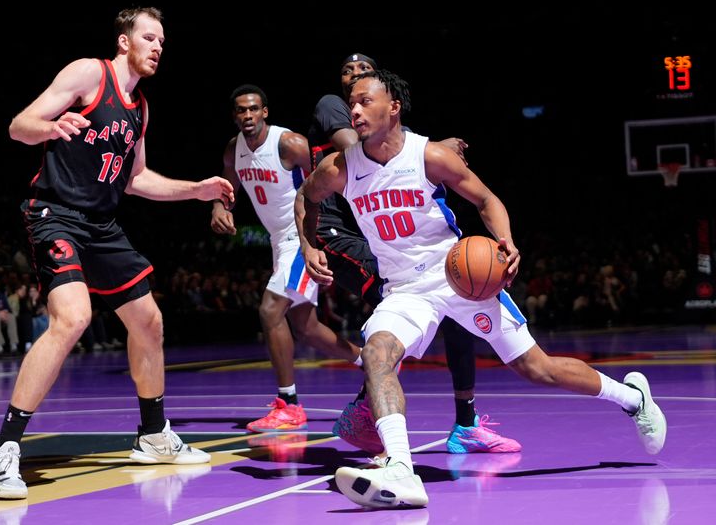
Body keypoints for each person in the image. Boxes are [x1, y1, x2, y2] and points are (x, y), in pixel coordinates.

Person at [299, 69, 666, 509]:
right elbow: (307, 198)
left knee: (537, 368)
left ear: (392, 107)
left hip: (457, 278)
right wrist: (308, 245)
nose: (354, 110)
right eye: (351, 103)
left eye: (364, 101)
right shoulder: (339, 167)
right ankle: (401, 468)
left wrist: (506, 241)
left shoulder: (429, 156)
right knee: (377, 354)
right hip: (404, 289)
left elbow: (487, 201)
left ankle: (632, 397)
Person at [0, 7, 234, 500]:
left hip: (102, 224)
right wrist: (50, 128)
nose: (158, 46)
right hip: (55, 213)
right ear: (124, 42)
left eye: (163, 40)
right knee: (72, 318)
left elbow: (137, 178)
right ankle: (3, 451)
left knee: (149, 321)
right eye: (149, 37)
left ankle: (154, 434)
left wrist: (196, 190)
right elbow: (19, 125)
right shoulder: (88, 73)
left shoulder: (140, 107)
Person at [305, 53, 519, 455]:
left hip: (390, 234)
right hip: (342, 232)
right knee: (389, 319)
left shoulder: (388, 123)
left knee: (457, 302)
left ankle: (466, 421)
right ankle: (368, 412)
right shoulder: (337, 109)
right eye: (347, 72)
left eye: (364, 69)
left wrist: (435, 152)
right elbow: (359, 148)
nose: (356, 75)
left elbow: (401, 152)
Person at [211, 84, 362, 432]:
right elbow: (228, 188)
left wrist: (323, 234)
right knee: (306, 329)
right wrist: (220, 206)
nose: (247, 116)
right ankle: (365, 358)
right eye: (240, 110)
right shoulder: (233, 150)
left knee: (269, 310)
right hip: (279, 242)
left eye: (253, 109)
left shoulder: (289, 144)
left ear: (265, 112)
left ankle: (289, 404)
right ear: (234, 115)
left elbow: (328, 179)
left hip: (302, 235)